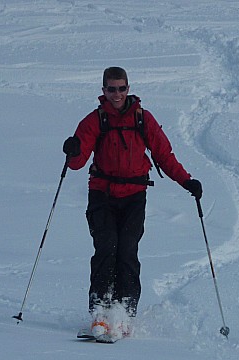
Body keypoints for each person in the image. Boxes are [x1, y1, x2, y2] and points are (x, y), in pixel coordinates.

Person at [63, 66, 202, 339]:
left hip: (134, 195)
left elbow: (164, 155)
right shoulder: (95, 121)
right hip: (102, 194)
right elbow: (77, 164)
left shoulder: (143, 119)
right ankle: (101, 311)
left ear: (129, 88)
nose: (117, 94)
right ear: (103, 90)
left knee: (127, 249)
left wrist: (187, 181)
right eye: (111, 89)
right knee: (106, 247)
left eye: (121, 88)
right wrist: (74, 151)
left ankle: (125, 309)